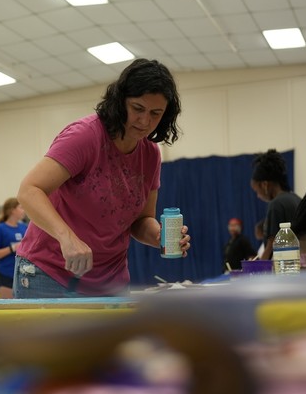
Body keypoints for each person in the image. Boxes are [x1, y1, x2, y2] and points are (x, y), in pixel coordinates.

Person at [14, 58, 190, 298]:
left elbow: (141, 220)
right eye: (137, 108)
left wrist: (160, 236)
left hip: (110, 281)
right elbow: (29, 190)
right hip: (52, 273)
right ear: (120, 101)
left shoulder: (150, 154)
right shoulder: (85, 136)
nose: (145, 121)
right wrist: (67, 238)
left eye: (155, 113)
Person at [250, 149, 301, 260]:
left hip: (285, 264)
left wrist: (261, 266)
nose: (258, 196)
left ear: (265, 185)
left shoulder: (276, 204)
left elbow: (272, 245)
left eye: (256, 190)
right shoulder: (296, 198)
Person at [0, 198, 28, 299]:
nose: (24, 210)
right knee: (10, 306)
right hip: (6, 274)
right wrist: (12, 248)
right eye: (21, 208)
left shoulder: (24, 227)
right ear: (12, 210)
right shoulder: (0, 229)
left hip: (24, 274)